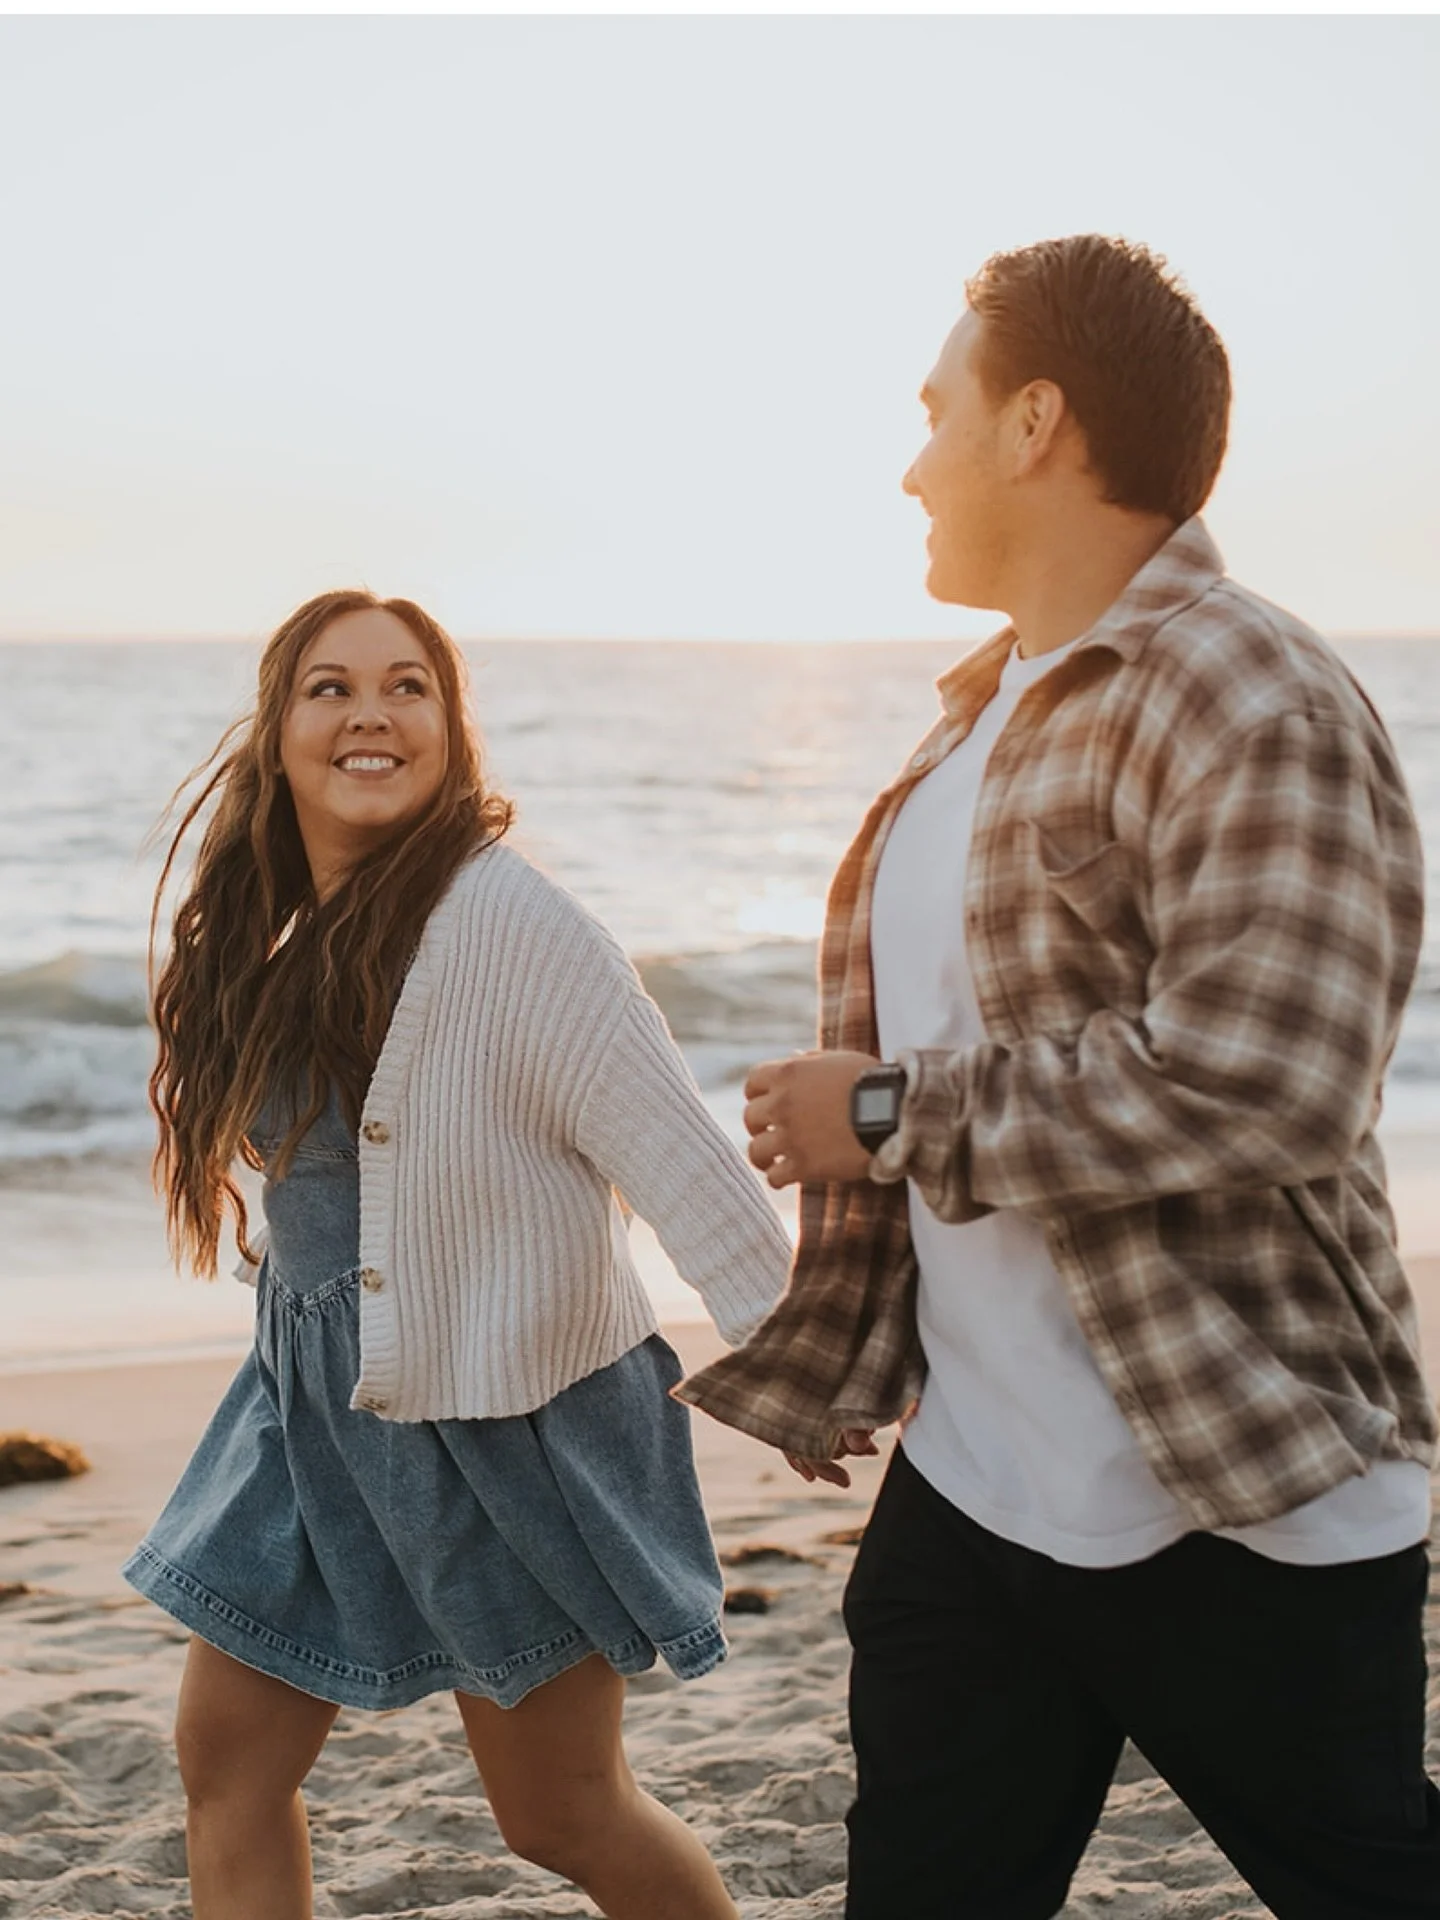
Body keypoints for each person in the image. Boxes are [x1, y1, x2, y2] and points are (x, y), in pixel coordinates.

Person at [677, 234, 1440, 1918]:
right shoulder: (979, 713)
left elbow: (1266, 1082)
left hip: (1237, 1499)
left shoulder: (1252, 690)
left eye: (934, 410)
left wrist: (880, 1118)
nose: (909, 462)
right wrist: (860, 1336)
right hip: (975, 1502)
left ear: (1034, 423)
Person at [124, 588, 792, 1920]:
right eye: (330, 686)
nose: (370, 711)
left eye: (407, 685)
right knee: (226, 1762)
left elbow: (678, 1155)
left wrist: (799, 1356)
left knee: (560, 1815)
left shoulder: (516, 931)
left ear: (451, 727)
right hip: (308, 1416)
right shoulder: (282, 937)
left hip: (505, 1418)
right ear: (279, 728)